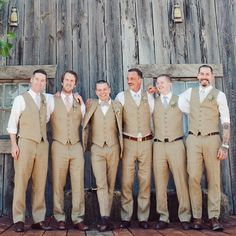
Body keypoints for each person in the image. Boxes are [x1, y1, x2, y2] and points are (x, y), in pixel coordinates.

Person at [179, 65, 230, 231]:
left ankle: (214, 217)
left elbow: (226, 121)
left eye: (207, 74)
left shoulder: (219, 95)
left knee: (214, 178)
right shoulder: (189, 93)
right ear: (197, 76)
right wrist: (157, 91)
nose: (204, 77)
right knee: (193, 177)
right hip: (193, 139)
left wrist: (225, 144)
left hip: (213, 139)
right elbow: (178, 104)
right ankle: (197, 217)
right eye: (202, 74)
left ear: (212, 77)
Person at [7, 69, 52, 232]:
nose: (40, 83)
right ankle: (18, 219)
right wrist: (14, 145)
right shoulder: (21, 99)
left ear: (45, 83)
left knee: (40, 183)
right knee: (21, 181)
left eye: (43, 80)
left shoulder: (47, 99)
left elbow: (60, 101)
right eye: (37, 79)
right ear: (31, 80)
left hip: (42, 145)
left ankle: (38, 219)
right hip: (25, 143)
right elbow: (12, 124)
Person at [50, 70, 88, 231]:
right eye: (66, 80)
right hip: (58, 144)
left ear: (75, 84)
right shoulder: (51, 100)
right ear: (62, 82)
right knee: (58, 183)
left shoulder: (79, 101)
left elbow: (86, 123)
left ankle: (78, 218)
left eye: (72, 80)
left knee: (78, 182)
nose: (69, 82)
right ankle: (59, 217)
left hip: (76, 146)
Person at [82, 80, 123, 232]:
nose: (102, 92)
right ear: (95, 91)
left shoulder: (118, 106)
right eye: (99, 90)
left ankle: (106, 218)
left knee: (111, 184)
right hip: (97, 148)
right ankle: (105, 217)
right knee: (101, 183)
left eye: (104, 89)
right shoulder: (91, 105)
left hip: (113, 147)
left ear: (110, 90)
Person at [116, 68, 154, 229]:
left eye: (132, 78)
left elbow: (154, 116)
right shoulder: (121, 96)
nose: (129, 80)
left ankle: (143, 217)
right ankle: (126, 217)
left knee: (145, 181)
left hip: (146, 142)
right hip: (128, 142)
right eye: (128, 78)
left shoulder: (150, 97)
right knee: (127, 181)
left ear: (140, 80)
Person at [152, 74, 191, 230]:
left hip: (176, 144)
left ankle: (185, 216)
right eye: (157, 83)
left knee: (181, 181)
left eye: (162, 82)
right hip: (158, 145)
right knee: (160, 183)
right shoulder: (153, 102)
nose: (159, 85)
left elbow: (195, 113)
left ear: (170, 83)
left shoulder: (180, 100)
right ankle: (163, 216)